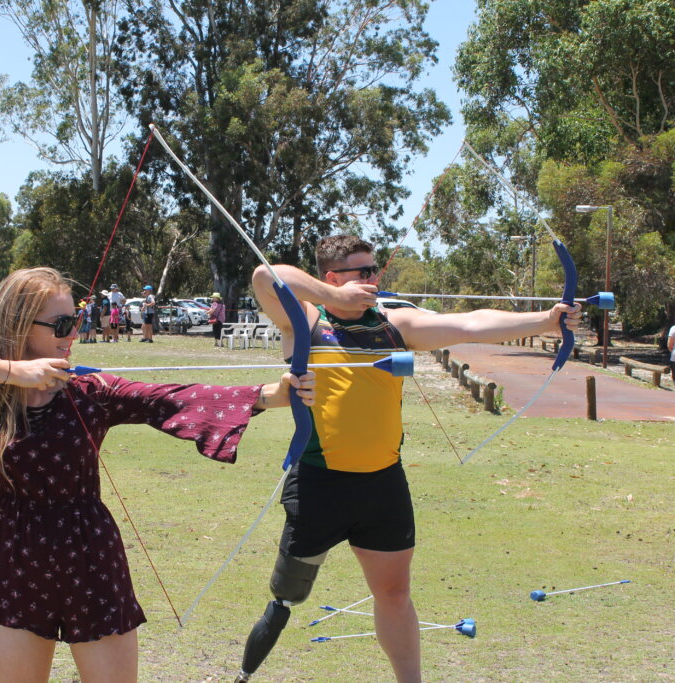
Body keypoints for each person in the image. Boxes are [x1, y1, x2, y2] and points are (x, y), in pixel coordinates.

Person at [0, 266, 315, 683]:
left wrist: (271, 395)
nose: (73, 334)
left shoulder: (89, 391)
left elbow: (166, 398)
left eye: (76, 322)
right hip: (15, 556)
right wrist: (12, 372)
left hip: (90, 555)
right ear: (19, 326)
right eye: (62, 324)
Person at [234, 235, 581, 683]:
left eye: (375, 270)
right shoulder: (304, 320)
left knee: (394, 594)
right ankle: (243, 676)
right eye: (363, 272)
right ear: (332, 277)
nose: (374, 280)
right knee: (286, 597)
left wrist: (547, 319)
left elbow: (471, 323)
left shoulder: (395, 324)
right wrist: (336, 298)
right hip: (319, 482)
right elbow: (266, 276)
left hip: (382, 485)